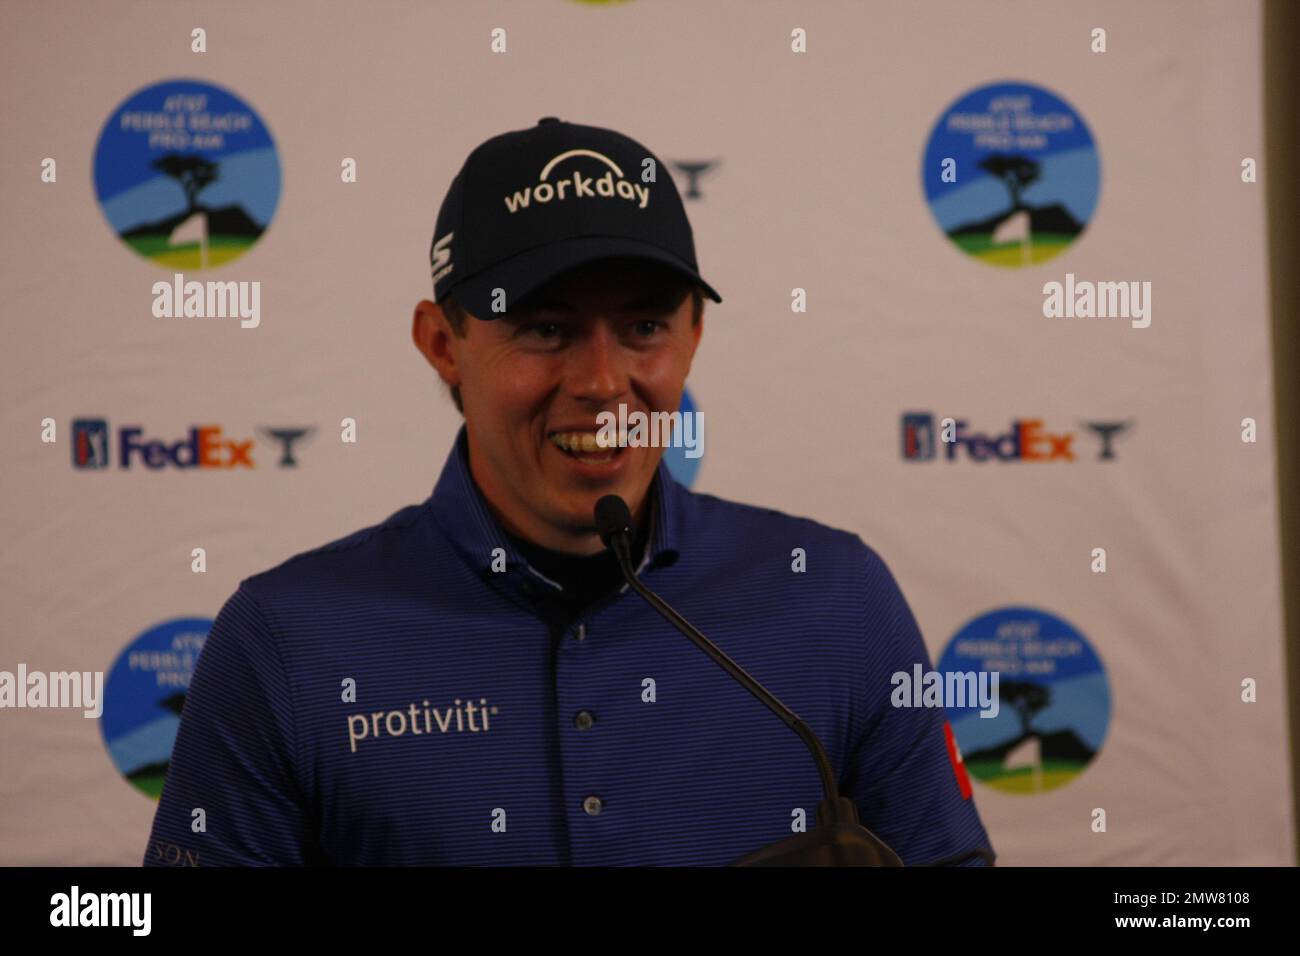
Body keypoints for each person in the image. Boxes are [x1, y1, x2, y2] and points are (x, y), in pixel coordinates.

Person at [142, 117, 995, 866]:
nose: (602, 381)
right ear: (442, 344)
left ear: (695, 335)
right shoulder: (285, 640)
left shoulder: (836, 596)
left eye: (644, 327)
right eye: (545, 328)